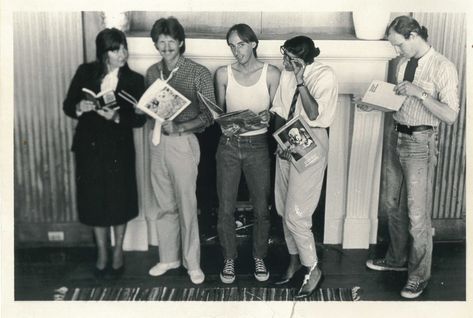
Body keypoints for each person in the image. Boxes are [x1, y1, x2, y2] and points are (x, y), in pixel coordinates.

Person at [365, 16, 459, 299]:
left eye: (398, 45)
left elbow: (450, 115)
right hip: (398, 136)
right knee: (392, 205)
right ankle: (395, 261)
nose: (396, 52)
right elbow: (400, 103)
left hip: (421, 143)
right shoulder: (404, 64)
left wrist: (420, 93)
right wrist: (375, 105)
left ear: (414, 35)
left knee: (417, 215)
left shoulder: (443, 67)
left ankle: (418, 276)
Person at [63, 28, 146, 278]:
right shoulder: (85, 72)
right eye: (115, 49)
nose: (123, 53)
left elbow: (140, 120)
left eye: (124, 48)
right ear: (104, 52)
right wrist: (80, 106)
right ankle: (102, 251)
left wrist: (118, 116)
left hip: (118, 151)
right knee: (94, 200)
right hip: (89, 149)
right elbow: (68, 106)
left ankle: (118, 251)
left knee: (119, 200)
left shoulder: (134, 79)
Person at [145, 17, 214, 285]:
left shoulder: (198, 72)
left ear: (181, 42)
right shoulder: (152, 72)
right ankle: (168, 258)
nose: (165, 47)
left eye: (170, 42)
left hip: (183, 143)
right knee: (164, 205)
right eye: (160, 42)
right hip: (156, 142)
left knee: (187, 206)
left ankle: (192, 263)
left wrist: (181, 126)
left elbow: (209, 115)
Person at [271, 36, 338, 298]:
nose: (284, 62)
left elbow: (313, 114)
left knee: (296, 214)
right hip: (288, 139)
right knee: (282, 207)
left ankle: (313, 268)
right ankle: (294, 261)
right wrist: (278, 141)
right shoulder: (287, 73)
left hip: (312, 139)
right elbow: (279, 109)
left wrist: (300, 80)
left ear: (304, 59)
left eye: (290, 59)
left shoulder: (325, 75)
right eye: (283, 55)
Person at [214, 24, 280, 284]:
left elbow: (278, 112)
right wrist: (224, 123)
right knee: (225, 207)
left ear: (253, 43)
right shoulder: (223, 74)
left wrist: (269, 115)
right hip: (228, 146)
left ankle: (259, 257)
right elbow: (218, 113)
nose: (235, 50)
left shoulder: (271, 73)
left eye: (240, 44)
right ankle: (229, 259)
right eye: (231, 45)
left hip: (258, 146)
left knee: (262, 208)